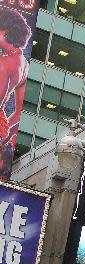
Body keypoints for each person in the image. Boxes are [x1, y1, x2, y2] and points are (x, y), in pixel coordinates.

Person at [0, 10, 30, 173]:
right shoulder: (24, 64)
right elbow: (18, 113)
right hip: (2, 129)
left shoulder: (3, 62)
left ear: (5, 32)